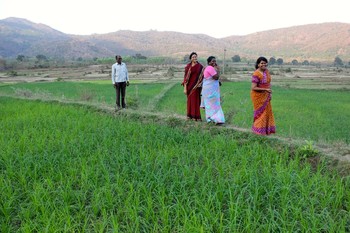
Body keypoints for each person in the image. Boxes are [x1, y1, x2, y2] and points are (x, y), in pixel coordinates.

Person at [250, 56, 276, 135]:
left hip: (266, 95)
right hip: (258, 96)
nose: (263, 64)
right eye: (262, 63)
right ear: (258, 64)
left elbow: (268, 84)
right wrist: (265, 90)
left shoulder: (267, 72)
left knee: (267, 112)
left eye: (265, 63)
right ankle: (258, 131)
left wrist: (269, 93)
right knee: (260, 113)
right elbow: (253, 87)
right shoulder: (256, 74)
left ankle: (265, 131)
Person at [201, 56, 225, 125]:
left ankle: (210, 119)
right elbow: (216, 77)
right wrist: (218, 69)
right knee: (214, 104)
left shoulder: (207, 68)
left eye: (215, 61)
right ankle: (216, 119)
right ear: (209, 62)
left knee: (210, 105)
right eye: (213, 61)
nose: (214, 62)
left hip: (208, 90)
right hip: (210, 91)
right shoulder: (210, 68)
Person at [182, 52, 204, 121]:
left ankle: (196, 117)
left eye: (195, 56)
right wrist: (185, 88)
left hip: (197, 87)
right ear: (190, 59)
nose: (194, 58)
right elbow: (185, 78)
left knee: (196, 101)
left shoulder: (200, 67)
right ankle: (189, 116)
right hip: (189, 87)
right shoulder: (188, 67)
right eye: (193, 57)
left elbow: (202, 76)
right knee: (190, 101)